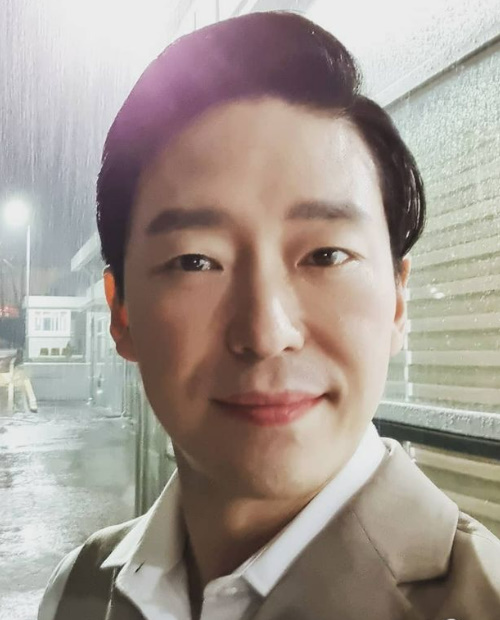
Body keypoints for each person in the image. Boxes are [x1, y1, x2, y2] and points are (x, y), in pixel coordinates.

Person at [38, 11, 500, 620]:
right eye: (195, 261)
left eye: (326, 255)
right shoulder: (76, 594)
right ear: (120, 312)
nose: (265, 332)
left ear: (396, 299)